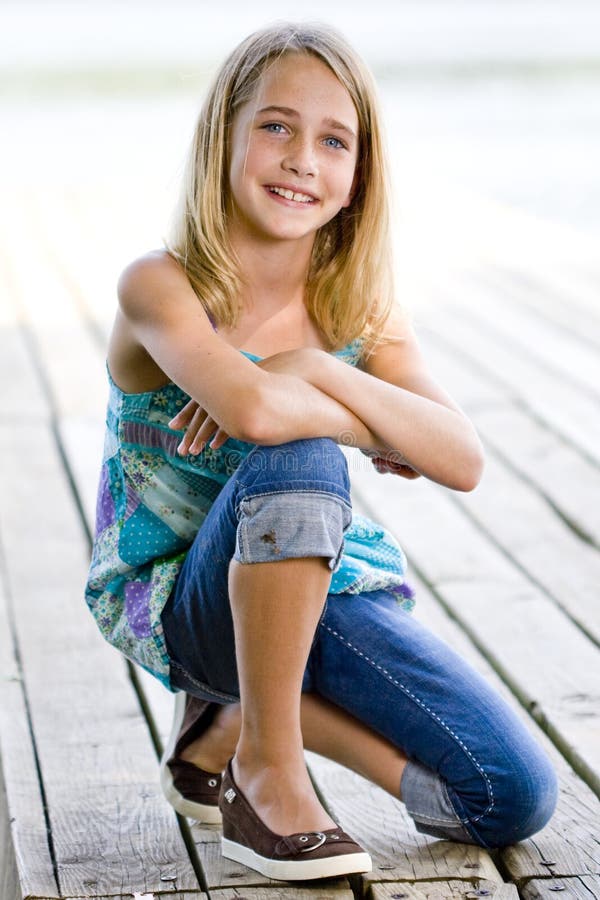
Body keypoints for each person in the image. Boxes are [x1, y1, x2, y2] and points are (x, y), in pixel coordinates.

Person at [85, 22, 558, 882]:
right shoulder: (159, 287)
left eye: (333, 140)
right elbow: (263, 416)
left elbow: (459, 454)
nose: (302, 157)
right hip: (185, 605)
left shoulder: (357, 312)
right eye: (275, 126)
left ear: (356, 179)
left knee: (510, 796)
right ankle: (268, 772)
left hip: (320, 589)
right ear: (221, 139)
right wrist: (359, 420)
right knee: (302, 454)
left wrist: (313, 368)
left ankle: (227, 730)